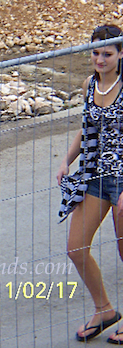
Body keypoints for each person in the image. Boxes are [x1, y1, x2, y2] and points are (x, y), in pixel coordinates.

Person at [56, 24, 123, 343]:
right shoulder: (88, 86)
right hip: (95, 175)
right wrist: (66, 160)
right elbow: (86, 129)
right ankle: (104, 310)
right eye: (95, 52)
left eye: (107, 53)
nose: (100, 59)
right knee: (76, 248)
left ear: (120, 53)